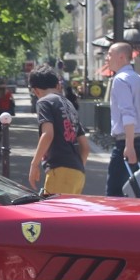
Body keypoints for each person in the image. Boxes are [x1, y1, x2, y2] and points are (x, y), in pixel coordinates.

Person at [28, 65, 90, 195]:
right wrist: (77, 167)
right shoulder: (69, 104)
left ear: (36, 91)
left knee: (52, 213)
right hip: (78, 172)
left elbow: (48, 134)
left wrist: (34, 164)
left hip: (60, 168)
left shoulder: (44, 102)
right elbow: (85, 146)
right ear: (57, 85)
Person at [105, 41, 140, 197]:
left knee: (115, 194)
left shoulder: (120, 80)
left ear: (121, 57)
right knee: (139, 192)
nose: (107, 58)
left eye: (110, 54)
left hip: (128, 141)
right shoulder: (139, 79)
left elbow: (128, 113)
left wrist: (129, 145)